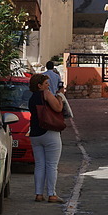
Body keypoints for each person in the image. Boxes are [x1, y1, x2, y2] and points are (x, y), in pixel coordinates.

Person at [28, 73, 66, 204]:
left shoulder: (32, 98)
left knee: (39, 164)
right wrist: (60, 97)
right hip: (49, 132)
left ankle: (38, 194)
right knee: (52, 165)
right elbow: (58, 107)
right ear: (39, 85)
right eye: (45, 83)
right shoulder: (46, 94)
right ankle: (52, 194)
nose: (48, 85)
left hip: (35, 133)